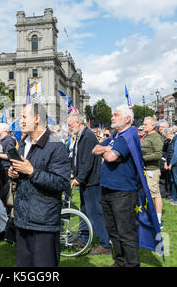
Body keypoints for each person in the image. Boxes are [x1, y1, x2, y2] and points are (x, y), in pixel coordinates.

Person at [8, 103, 71, 267]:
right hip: (22, 219)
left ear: (36, 119)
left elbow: (62, 182)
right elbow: (24, 173)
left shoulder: (56, 145)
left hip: (43, 222)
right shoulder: (23, 143)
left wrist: (32, 172)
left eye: (23, 117)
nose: (20, 121)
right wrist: (14, 174)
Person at [92, 105, 140, 267]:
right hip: (107, 189)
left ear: (127, 119)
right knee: (113, 230)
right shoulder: (116, 136)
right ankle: (120, 263)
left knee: (125, 232)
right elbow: (95, 149)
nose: (112, 117)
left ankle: (132, 264)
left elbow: (111, 157)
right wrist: (107, 148)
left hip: (123, 191)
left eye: (116, 115)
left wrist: (107, 150)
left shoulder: (129, 134)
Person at [67, 112, 110, 255]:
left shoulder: (88, 136)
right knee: (84, 212)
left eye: (70, 125)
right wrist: (75, 173)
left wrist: (79, 178)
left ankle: (105, 244)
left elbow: (88, 161)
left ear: (78, 123)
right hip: (87, 180)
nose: (69, 128)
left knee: (95, 213)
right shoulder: (82, 136)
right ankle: (84, 239)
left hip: (92, 181)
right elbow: (79, 159)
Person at [141, 117, 164, 227]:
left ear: (152, 126)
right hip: (145, 169)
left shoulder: (156, 137)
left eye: (145, 124)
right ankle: (149, 215)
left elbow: (158, 154)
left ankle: (158, 220)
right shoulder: (147, 136)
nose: (143, 126)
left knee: (155, 194)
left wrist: (143, 157)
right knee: (148, 194)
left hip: (152, 170)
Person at [162, 128, 177, 205]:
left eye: (165, 136)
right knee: (172, 180)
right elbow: (168, 152)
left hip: (176, 164)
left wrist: (171, 164)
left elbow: (176, 154)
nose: (165, 137)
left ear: (168, 134)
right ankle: (174, 197)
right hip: (170, 163)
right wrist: (166, 162)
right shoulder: (170, 141)